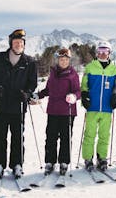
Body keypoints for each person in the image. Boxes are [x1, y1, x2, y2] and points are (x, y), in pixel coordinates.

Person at [0, 29, 37, 179]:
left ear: (24, 44)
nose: (18, 44)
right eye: (15, 42)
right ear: (10, 44)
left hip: (18, 106)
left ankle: (17, 165)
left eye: (21, 42)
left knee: (18, 137)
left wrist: (26, 94)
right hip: (0, 104)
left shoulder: (29, 62)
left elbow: (32, 83)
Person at [34, 48, 81, 176]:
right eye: (61, 59)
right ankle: (50, 162)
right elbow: (48, 89)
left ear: (69, 60)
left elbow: (78, 91)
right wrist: (39, 95)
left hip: (67, 111)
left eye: (66, 59)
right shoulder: (53, 73)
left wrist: (74, 97)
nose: (64, 61)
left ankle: (64, 162)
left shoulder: (73, 75)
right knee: (51, 137)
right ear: (58, 60)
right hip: (53, 110)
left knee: (65, 138)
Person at [81, 41, 116, 171]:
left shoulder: (113, 69)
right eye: (100, 51)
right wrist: (84, 95)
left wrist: (115, 96)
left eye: (105, 51)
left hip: (107, 108)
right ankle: (88, 158)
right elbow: (84, 84)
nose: (102, 54)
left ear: (109, 53)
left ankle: (102, 158)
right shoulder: (90, 67)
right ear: (97, 53)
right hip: (92, 106)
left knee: (104, 135)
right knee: (90, 134)